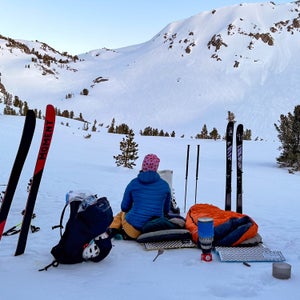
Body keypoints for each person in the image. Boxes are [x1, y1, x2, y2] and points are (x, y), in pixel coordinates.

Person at [109, 154, 172, 239]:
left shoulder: (134, 183)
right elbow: (166, 210)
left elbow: (124, 207)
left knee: (121, 214)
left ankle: (112, 229)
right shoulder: (165, 185)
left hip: (134, 230)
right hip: (154, 229)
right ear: (156, 167)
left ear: (143, 165)